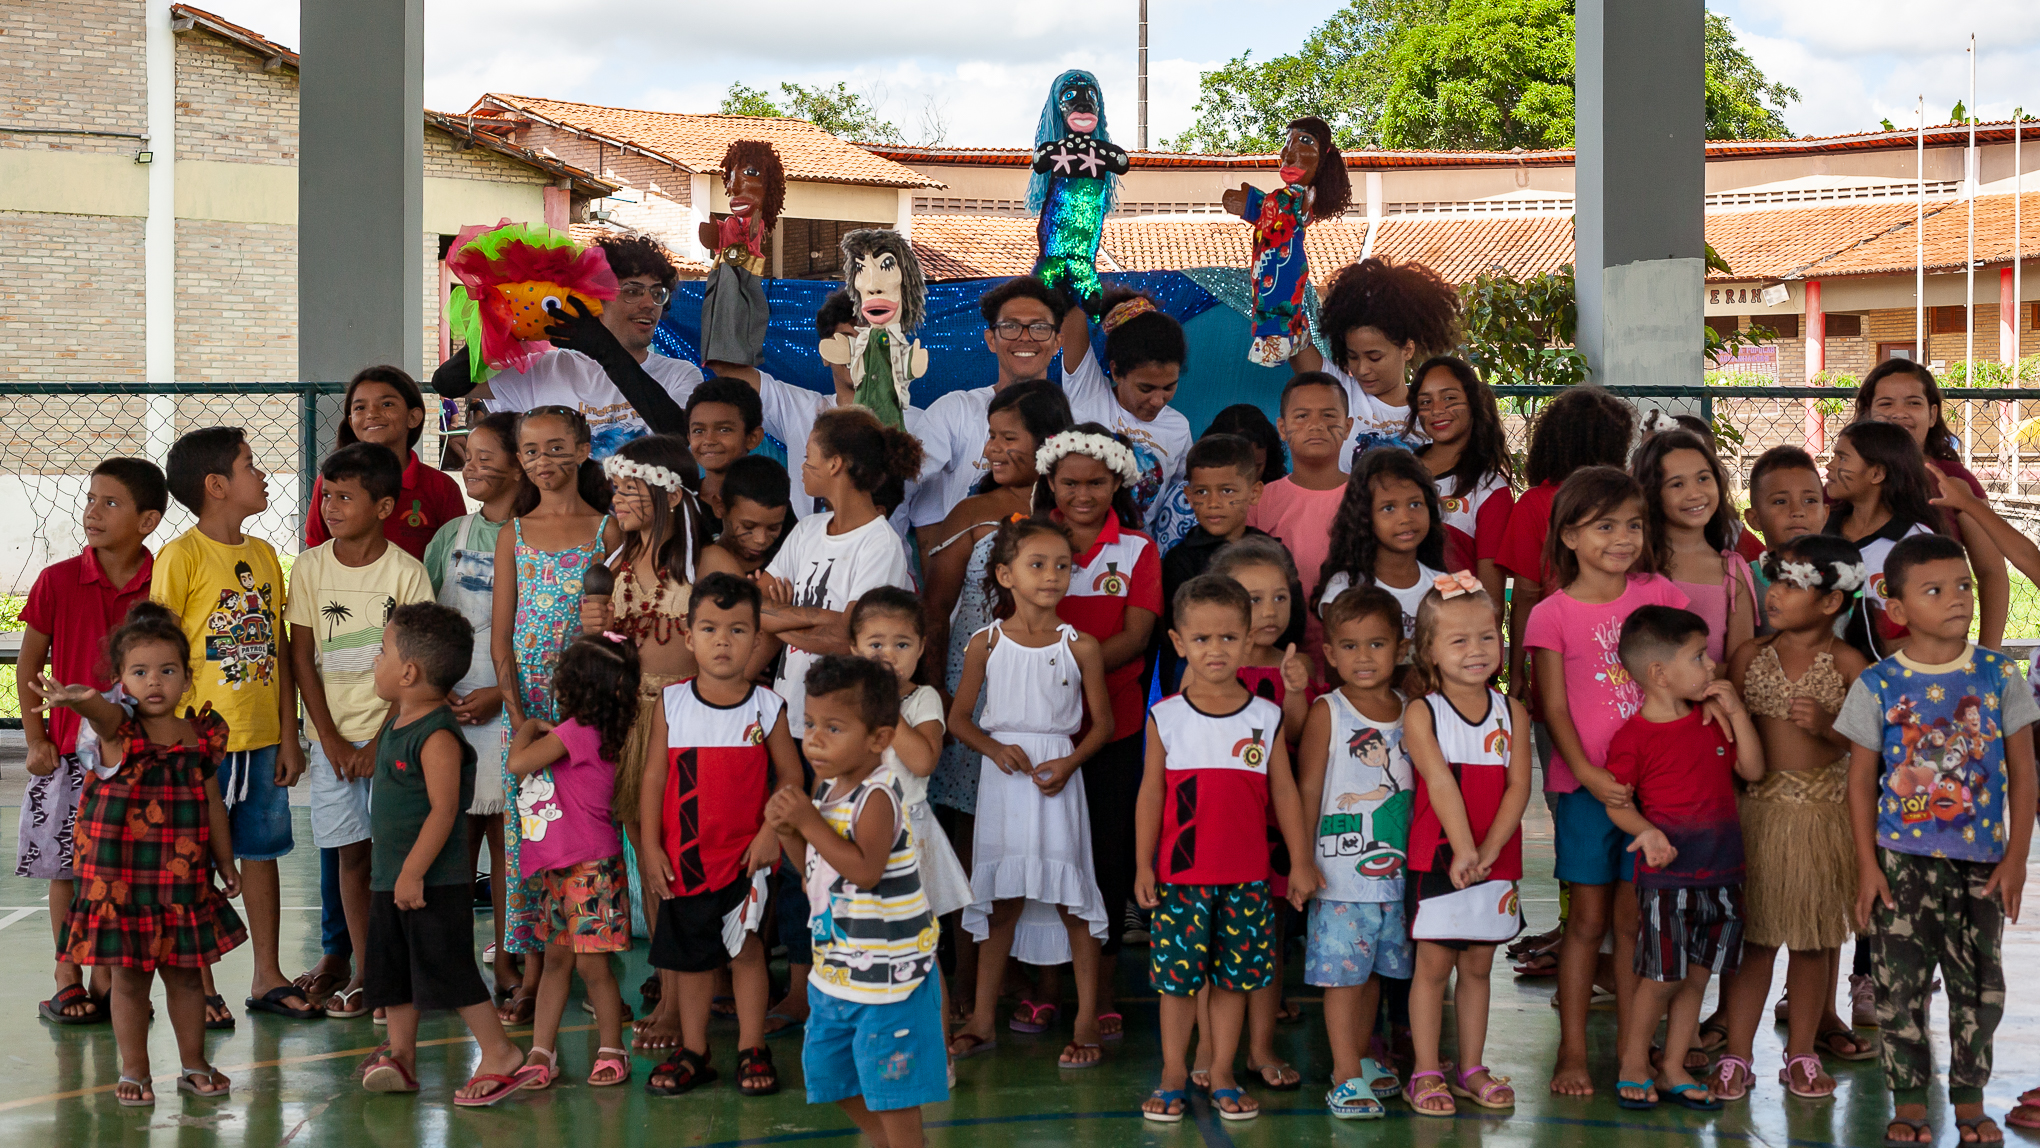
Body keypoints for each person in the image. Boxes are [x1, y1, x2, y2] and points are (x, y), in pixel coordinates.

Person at [1836, 533, 2037, 1147]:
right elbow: (1859, 783)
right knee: (1899, 991)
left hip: (1982, 863)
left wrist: (2017, 857)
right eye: (1934, 590)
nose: (1956, 599)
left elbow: (2024, 772)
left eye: (1963, 587)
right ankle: (1910, 1103)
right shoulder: (1878, 684)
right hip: (1901, 864)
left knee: (1980, 990)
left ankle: (1971, 1102)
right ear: (1896, 608)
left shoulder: (1999, 675)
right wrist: (1867, 866)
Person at [28, 601, 247, 1106]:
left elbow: (213, 803)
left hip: (181, 881)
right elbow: (103, 715)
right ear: (121, 681)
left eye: (167, 671)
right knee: (128, 982)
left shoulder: (199, 736)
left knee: (187, 979)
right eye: (140, 672)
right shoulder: (118, 729)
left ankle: (194, 1064)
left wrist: (225, 861)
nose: (154, 682)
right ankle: (135, 1070)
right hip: (119, 882)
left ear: (186, 678)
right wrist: (83, 699)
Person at [1522, 467, 1689, 1097]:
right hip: (1586, 791)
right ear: (1569, 536)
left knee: (1633, 924)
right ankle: (1571, 1051)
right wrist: (1590, 775)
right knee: (1586, 923)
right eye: (1605, 526)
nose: (1623, 538)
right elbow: (1554, 708)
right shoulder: (1551, 614)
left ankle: (1631, 1050)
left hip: (1656, 792)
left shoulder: (1660, 595)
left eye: (1633, 525)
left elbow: (1683, 680)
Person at [1134, 574, 1318, 1124]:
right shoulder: (1166, 716)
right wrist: (1143, 864)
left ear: (1248, 639)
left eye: (1229, 638)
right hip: (1180, 880)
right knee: (1177, 984)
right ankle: (1173, 1074)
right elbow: (1151, 793)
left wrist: (1301, 862)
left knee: (1234, 982)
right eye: (1202, 638)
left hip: (1248, 879)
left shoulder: (1266, 716)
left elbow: (1285, 793)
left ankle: (1222, 1073)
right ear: (1178, 642)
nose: (1216, 650)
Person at [151, 427, 312, 1023]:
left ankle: (267, 974)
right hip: (200, 744)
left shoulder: (266, 556)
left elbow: (280, 649)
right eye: (251, 464)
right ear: (216, 486)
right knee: (192, 859)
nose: (262, 474)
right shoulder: (181, 557)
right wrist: (169, 735)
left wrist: (290, 734)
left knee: (262, 854)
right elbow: (158, 648)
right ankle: (200, 985)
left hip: (263, 739)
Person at [948, 516, 1116, 1065]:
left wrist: (1069, 763)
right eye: (1037, 564)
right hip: (1005, 784)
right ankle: (981, 1020)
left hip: (1057, 783)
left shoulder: (1081, 646)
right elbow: (958, 719)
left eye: (1062, 566)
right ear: (1006, 574)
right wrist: (995, 750)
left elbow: (1103, 726)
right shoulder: (985, 643)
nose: (1051, 576)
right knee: (1002, 899)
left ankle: (1085, 1019)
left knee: (1072, 897)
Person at [1713, 536, 1874, 1104]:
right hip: (1757, 817)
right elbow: (1728, 738)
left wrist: (1830, 726)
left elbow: (1872, 748)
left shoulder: (1850, 665)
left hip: (1823, 818)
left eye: (1791, 584)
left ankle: (1802, 1051)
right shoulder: (1749, 656)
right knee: (1753, 941)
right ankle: (1736, 1053)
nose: (1775, 593)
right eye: (1774, 580)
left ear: (1831, 601)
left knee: (1811, 942)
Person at [766, 656, 948, 1148]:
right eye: (809, 724)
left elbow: (865, 871)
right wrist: (790, 834)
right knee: (830, 1074)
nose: (814, 740)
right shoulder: (827, 790)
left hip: (889, 982)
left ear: (878, 738)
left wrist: (807, 823)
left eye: (833, 728)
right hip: (838, 973)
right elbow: (819, 876)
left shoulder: (877, 797)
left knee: (894, 1094)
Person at [354, 602, 529, 1105]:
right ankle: (401, 1055)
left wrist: (413, 872)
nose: (375, 660)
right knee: (396, 972)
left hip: (430, 881)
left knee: (449, 970)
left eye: (383, 651)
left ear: (408, 672)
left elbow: (445, 809)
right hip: (394, 878)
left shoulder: (436, 735)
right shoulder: (399, 724)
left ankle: (500, 1053)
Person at [287, 443, 435, 1021]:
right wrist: (328, 740)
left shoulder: (407, 573)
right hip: (334, 746)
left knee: (398, 859)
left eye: (345, 497)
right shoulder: (309, 568)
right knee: (352, 858)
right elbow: (302, 659)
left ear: (384, 507)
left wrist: (378, 743)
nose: (330, 507)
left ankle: (405, 971)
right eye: (326, 496)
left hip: (394, 741)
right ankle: (368, 973)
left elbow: (417, 668)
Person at [640, 573, 803, 1095]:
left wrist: (770, 833)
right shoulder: (671, 703)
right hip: (685, 860)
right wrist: (649, 845)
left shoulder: (768, 707)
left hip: (745, 860)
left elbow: (791, 776)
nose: (723, 641)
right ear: (689, 637)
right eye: (709, 629)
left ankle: (752, 1047)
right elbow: (653, 778)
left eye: (737, 630)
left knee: (747, 951)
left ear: (757, 640)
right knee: (692, 962)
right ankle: (695, 1050)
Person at [18, 457, 163, 1027]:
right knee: (67, 870)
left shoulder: (163, 581)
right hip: (66, 759)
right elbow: (30, 664)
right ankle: (67, 975)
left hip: (135, 761)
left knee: (120, 872)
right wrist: (37, 739)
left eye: (110, 503)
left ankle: (108, 979)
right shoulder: (56, 580)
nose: (92, 512)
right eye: (90, 499)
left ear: (147, 521)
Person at [1602, 606, 1764, 1111]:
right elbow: (1617, 802)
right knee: (1662, 977)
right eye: (1698, 657)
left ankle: (1673, 1065)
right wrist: (1646, 832)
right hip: (1667, 881)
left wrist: (1737, 713)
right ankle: (1634, 1061)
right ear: (1659, 673)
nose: (1711, 665)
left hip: (1722, 872)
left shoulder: (1712, 720)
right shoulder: (1634, 738)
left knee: (1697, 975)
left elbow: (1753, 770)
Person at [490, 406, 618, 1023]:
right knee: (531, 840)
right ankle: (536, 973)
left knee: (587, 840)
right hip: (530, 720)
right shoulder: (512, 534)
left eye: (557, 447)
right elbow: (502, 640)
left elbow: (616, 630)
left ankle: (595, 968)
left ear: (584, 449)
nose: (544, 460)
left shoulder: (607, 531)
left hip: (586, 721)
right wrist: (520, 719)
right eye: (532, 450)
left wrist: (589, 712)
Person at [1035, 425, 1162, 1035]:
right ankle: (1044, 987)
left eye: (1095, 483)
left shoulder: (1137, 550)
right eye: (1069, 483)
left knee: (1107, 860)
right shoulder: (1032, 538)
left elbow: (1136, 637)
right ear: (1051, 483)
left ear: (1118, 483)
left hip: (1115, 729)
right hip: (1041, 729)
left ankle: (1103, 990)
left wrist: (1063, 671)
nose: (1082, 495)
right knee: (1045, 857)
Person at [1395, 578, 1530, 1117]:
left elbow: (1518, 787)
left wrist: (1489, 851)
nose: (1476, 650)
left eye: (1487, 636)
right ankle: (1426, 1070)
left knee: (1478, 966)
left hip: (1495, 859)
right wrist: (1464, 850)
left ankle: (1470, 1067)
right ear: (1428, 650)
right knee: (1432, 968)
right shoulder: (1422, 712)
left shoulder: (1512, 711)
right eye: (1458, 640)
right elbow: (1440, 782)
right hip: (1440, 856)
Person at [1296, 585, 1415, 1119]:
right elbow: (1307, 789)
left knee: (1372, 974)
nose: (1363, 657)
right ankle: (1344, 1074)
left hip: (1395, 875)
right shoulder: (1329, 711)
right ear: (1329, 652)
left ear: (1401, 648)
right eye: (1349, 645)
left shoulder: (1412, 711)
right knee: (1343, 976)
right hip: (1339, 877)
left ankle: (1362, 1057)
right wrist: (1302, 861)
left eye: (1376, 644)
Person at [420, 411, 524, 1004]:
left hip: (513, 704)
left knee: (509, 844)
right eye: (469, 455)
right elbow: (429, 623)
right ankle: (454, 963)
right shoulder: (451, 536)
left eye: (487, 456)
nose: (472, 466)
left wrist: (501, 695)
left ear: (520, 464)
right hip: (453, 709)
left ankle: (508, 961)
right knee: (455, 840)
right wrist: (439, 692)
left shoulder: (535, 534)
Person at [505, 634, 639, 1090]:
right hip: (566, 866)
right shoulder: (604, 732)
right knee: (561, 961)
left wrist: (528, 726)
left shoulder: (575, 733)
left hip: (586, 869)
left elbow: (518, 763)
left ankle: (610, 1048)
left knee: (585, 967)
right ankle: (543, 1051)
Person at [439, 234, 704, 456]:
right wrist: (509, 322)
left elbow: (680, 435)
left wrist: (605, 351)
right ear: (595, 298)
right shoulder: (545, 371)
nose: (649, 304)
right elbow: (448, 382)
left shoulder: (679, 374)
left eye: (657, 293)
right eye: (632, 291)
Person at [922, 379, 1074, 687]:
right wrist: (937, 692)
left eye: (1008, 438)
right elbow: (935, 611)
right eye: (992, 435)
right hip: (971, 682)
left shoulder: (1072, 515)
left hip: (1053, 681)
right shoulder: (971, 512)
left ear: (1049, 442)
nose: (991, 449)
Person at [1493, 385, 1635, 700]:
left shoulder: (1533, 504)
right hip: (1623, 658)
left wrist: (1516, 674)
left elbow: (1525, 596)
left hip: (1556, 662)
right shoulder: (1628, 502)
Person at [1855, 358, 2009, 649]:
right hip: (1854, 657)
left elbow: (1992, 573)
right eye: (1886, 404)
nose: (1899, 413)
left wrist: (1988, 656)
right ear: (1866, 412)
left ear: (1933, 414)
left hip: (1940, 657)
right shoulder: (1844, 482)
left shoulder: (1955, 482)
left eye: (1913, 403)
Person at [907, 276, 1073, 544]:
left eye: (1039, 327)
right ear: (991, 339)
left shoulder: (1073, 418)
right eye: (1010, 326)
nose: (1025, 337)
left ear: (1057, 341)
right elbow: (907, 482)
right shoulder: (955, 411)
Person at [852, 588, 973, 924]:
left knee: (911, 933)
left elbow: (922, 763)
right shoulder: (845, 700)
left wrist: (887, 704)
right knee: (861, 930)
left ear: (921, 648)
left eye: (902, 645)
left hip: (907, 832)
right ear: (854, 648)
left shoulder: (924, 699)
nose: (888, 656)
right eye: (876, 645)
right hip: (855, 827)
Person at [1290, 257, 1460, 462]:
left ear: (1407, 349)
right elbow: (1290, 334)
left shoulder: (1432, 414)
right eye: (1353, 356)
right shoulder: (1339, 392)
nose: (1362, 369)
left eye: (1374, 357)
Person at [1060, 288, 1192, 530]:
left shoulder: (1179, 427)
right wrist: (1084, 285)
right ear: (1116, 371)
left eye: (1169, 387)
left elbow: (1181, 496)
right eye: (1146, 388)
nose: (1158, 400)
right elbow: (1069, 294)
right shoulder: (1089, 394)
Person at [303, 366, 464, 559]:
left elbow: (456, 561)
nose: (372, 414)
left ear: (413, 417)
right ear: (351, 421)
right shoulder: (331, 483)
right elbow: (314, 553)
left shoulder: (441, 488)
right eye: (360, 408)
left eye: (387, 404)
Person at [1823, 419, 1950, 658]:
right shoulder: (1820, 530)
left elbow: (1941, 624)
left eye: (1842, 458)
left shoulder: (1917, 542)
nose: (1829, 466)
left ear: (1877, 473)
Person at [1246, 372, 1350, 665]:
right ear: (1282, 428)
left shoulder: (1369, 497)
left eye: (1329, 415)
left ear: (1348, 426)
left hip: (1354, 654)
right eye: (1302, 416)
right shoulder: (1259, 500)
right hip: (1279, 657)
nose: (1316, 425)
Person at [1158, 434, 1272, 695]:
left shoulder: (1270, 555)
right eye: (1201, 492)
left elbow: (1293, 621)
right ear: (1188, 496)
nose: (1213, 503)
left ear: (1254, 492)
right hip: (1197, 680)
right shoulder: (1180, 560)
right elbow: (1174, 635)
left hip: (1261, 675)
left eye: (1227, 491)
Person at [1631, 429, 1756, 664]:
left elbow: (1740, 667)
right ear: (1652, 493)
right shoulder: (1635, 564)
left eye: (1703, 478)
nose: (1695, 493)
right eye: (1677, 484)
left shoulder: (1732, 572)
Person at [1316, 447, 1448, 650]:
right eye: (1389, 508)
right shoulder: (1344, 588)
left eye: (1415, 504)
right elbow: (1338, 664)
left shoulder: (1444, 587)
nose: (1405, 518)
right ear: (1364, 516)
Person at [1408, 356, 1514, 605]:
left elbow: (1490, 600)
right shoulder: (1398, 474)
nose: (1437, 410)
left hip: (1456, 624)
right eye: (1426, 401)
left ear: (1473, 401)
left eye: (1449, 398)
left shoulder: (1490, 490)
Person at [1740, 445, 1826, 627]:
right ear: (1754, 519)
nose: (1798, 511)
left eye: (1810, 500)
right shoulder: (1743, 582)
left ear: (1825, 514)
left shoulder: (1846, 578)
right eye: (1780, 501)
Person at [698, 454, 793, 581]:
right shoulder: (697, 564)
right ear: (720, 507)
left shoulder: (787, 568)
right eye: (748, 526)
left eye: (773, 528)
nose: (761, 539)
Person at [684, 377, 766, 524]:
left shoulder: (769, 500)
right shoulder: (679, 502)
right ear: (689, 437)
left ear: (752, 438)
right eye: (698, 431)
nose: (709, 440)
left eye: (724, 430)